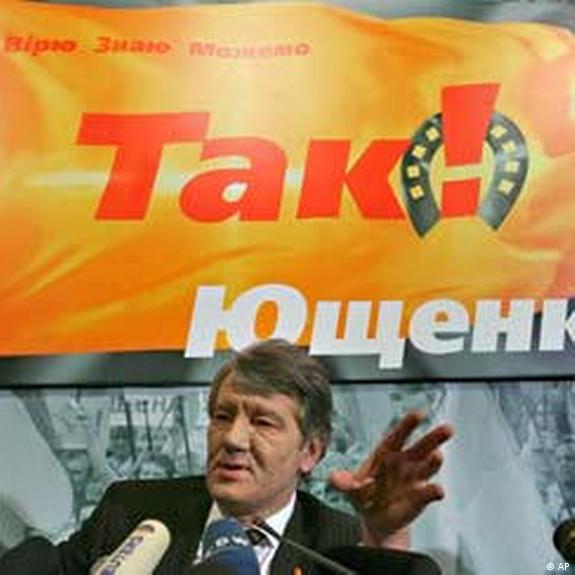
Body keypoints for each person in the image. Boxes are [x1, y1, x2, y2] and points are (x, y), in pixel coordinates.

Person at [43, 339, 454, 574]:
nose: (234, 439)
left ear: (310, 451)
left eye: (263, 422)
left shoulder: (339, 544)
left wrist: (384, 537)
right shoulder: (133, 512)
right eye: (223, 417)